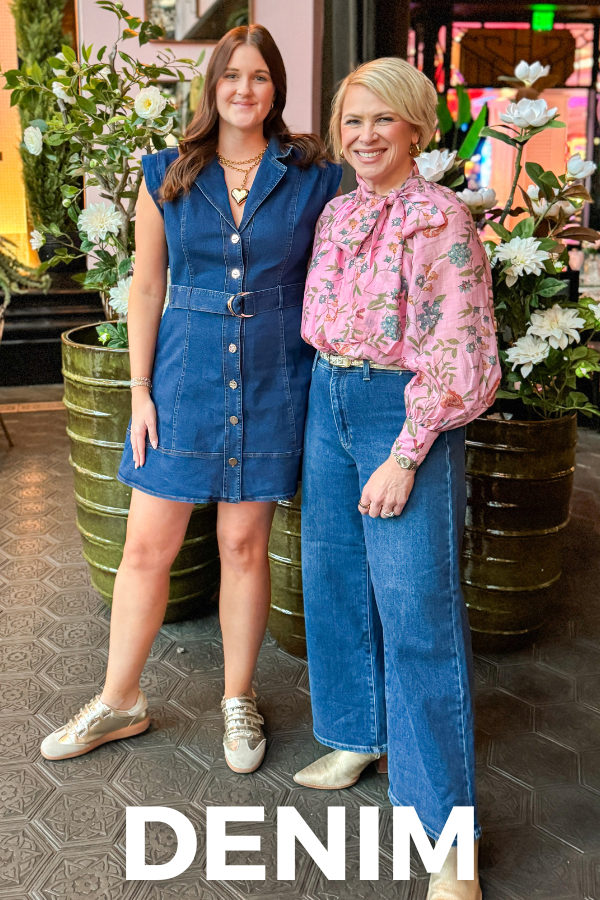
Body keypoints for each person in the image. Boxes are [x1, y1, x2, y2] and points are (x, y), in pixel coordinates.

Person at [41, 24, 341, 774]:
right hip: (183, 379)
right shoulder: (167, 173)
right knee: (147, 547)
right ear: (211, 87)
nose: (245, 89)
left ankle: (238, 698)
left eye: (260, 77)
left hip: (276, 376)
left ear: (277, 89)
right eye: (231, 76)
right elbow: (147, 285)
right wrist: (140, 391)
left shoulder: (311, 175)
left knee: (245, 546)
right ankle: (120, 699)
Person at [294, 58, 500, 899]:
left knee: (417, 613)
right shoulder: (339, 212)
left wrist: (405, 451)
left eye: (383, 120)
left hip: (402, 411)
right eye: (352, 121)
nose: (366, 136)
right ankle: (355, 731)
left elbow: (461, 349)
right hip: (326, 397)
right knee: (334, 579)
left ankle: (450, 834)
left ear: (416, 126)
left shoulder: (441, 217)